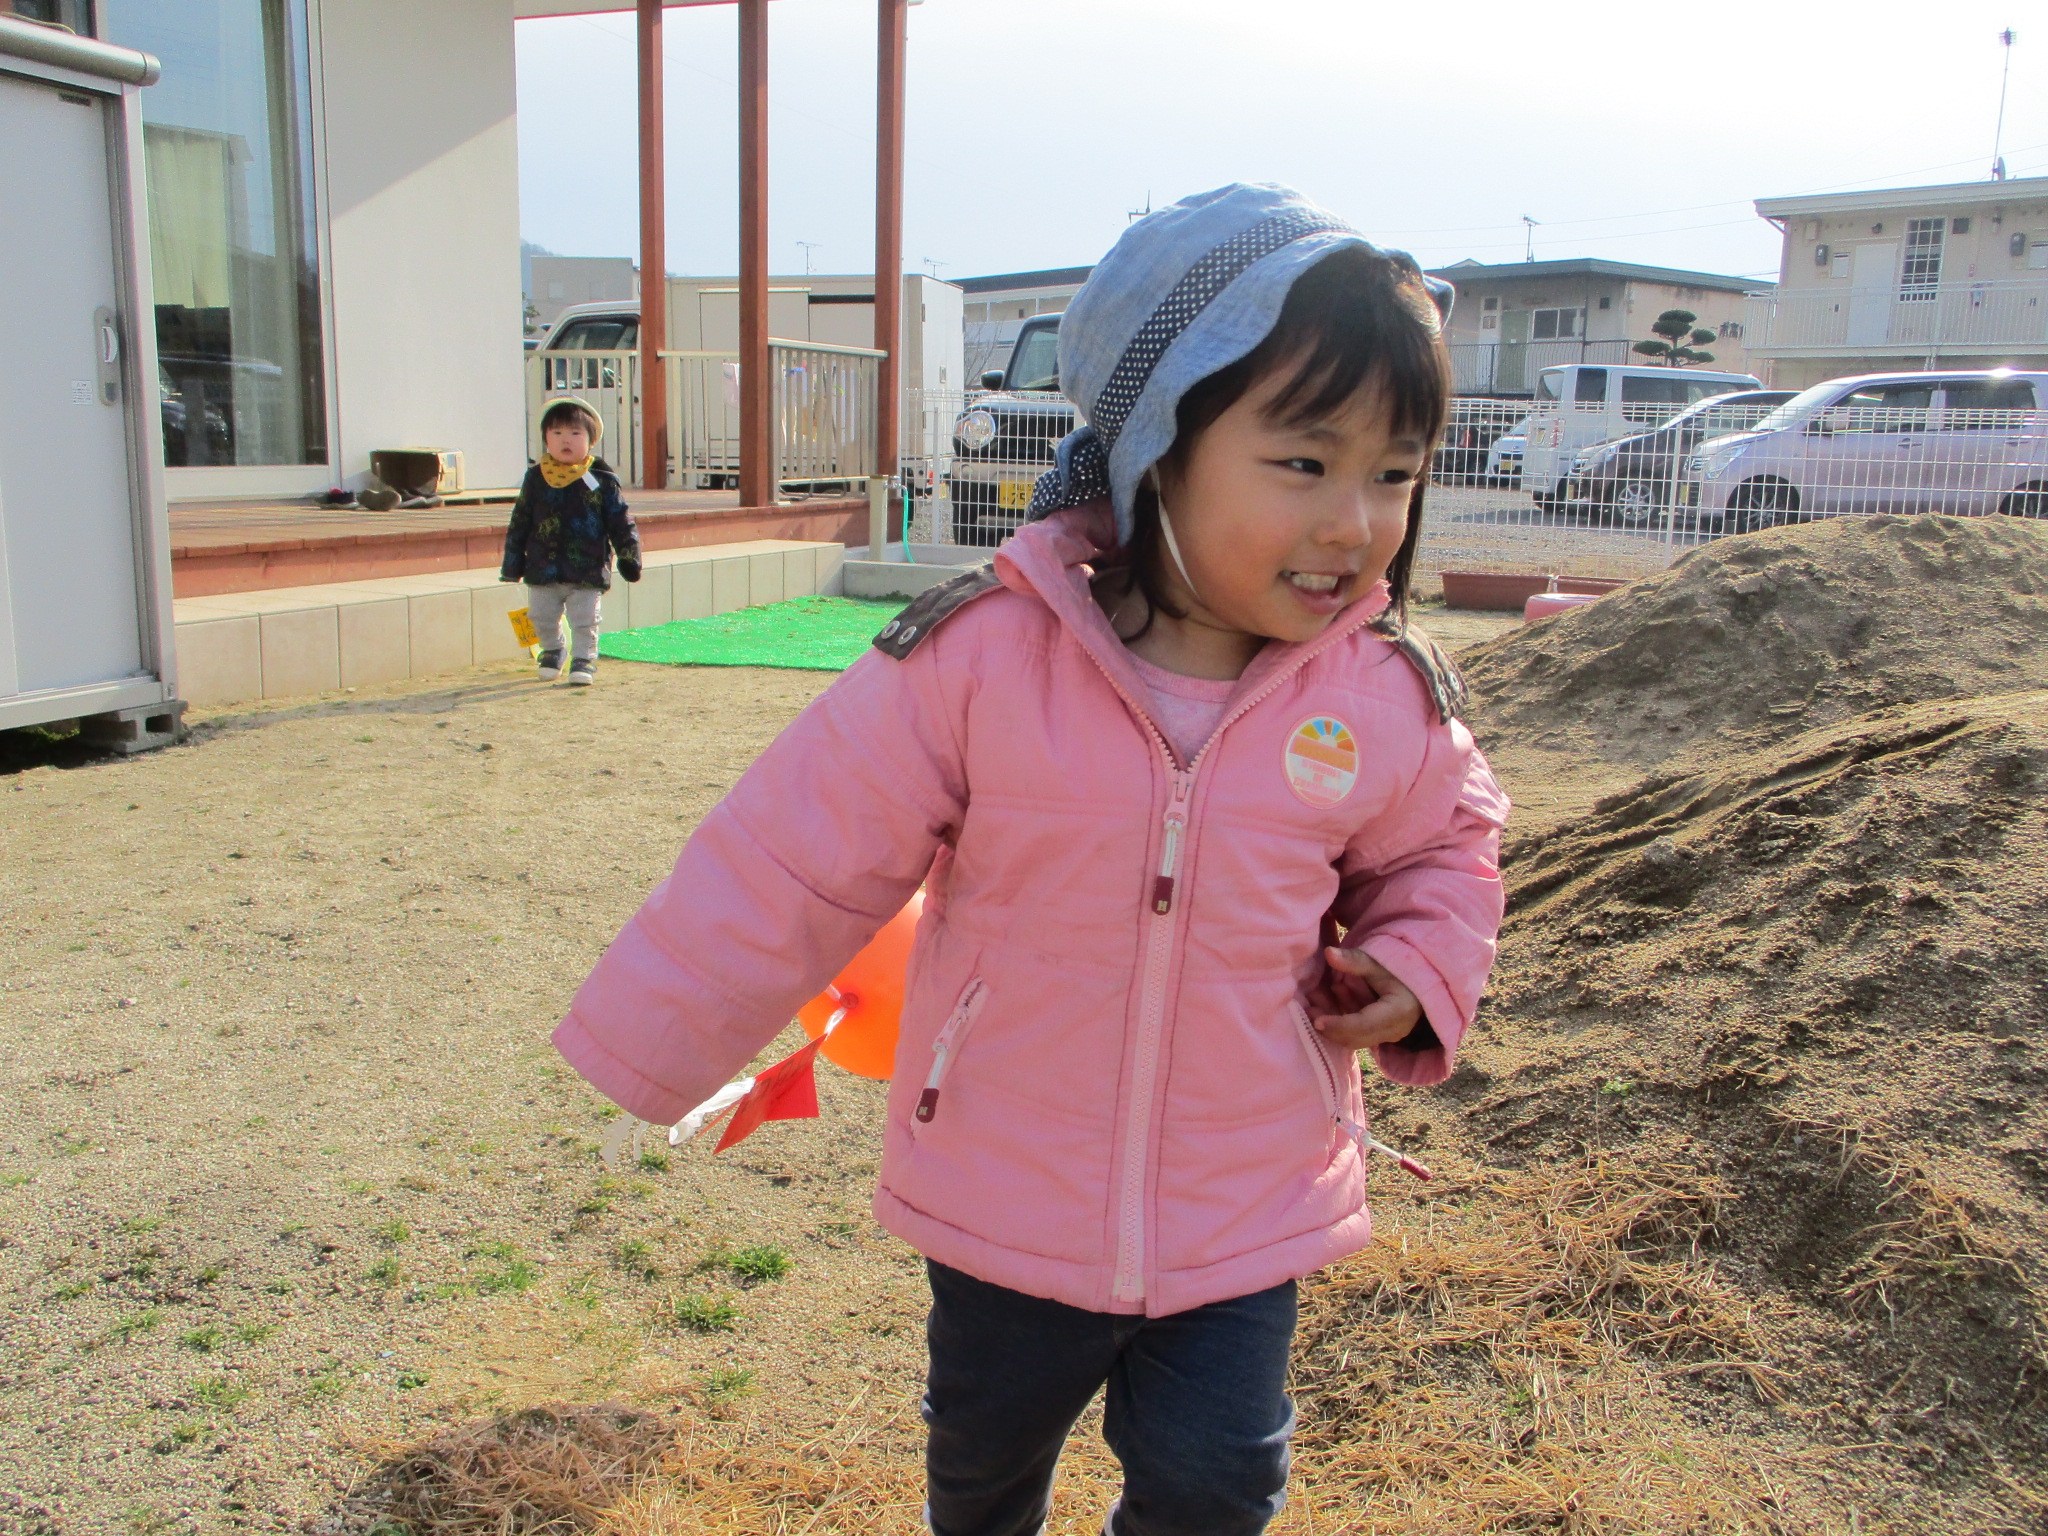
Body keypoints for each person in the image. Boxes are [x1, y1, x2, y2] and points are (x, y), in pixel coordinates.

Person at [551, 185, 1509, 1536]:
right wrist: (651, 1044)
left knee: (1219, 1484)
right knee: (983, 1469)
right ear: (1156, 448)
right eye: (1303, 463)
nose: (1355, 523)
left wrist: (1417, 965)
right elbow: (793, 853)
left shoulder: (1378, 694)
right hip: (1008, 1193)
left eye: (1393, 473)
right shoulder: (983, 659)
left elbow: (1448, 848)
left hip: (1245, 1202)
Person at [500, 397, 641, 685]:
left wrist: (630, 555)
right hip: (542, 566)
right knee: (540, 616)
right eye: (557, 433)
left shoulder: (602, 480)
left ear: (591, 441)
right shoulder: (536, 478)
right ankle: (553, 650)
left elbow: (620, 520)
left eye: (575, 433)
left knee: (585, 618)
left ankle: (584, 659)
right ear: (546, 439)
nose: (566, 439)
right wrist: (512, 565)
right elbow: (520, 521)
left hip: (587, 566)